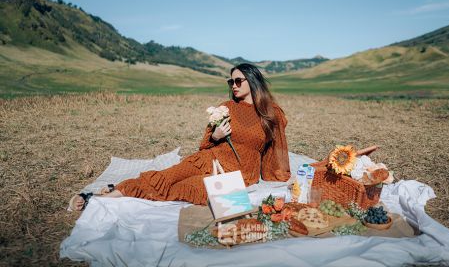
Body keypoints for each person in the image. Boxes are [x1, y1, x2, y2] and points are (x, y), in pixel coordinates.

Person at [69, 63, 290, 210]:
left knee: (181, 189)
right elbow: (205, 143)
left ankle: (107, 198)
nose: (233, 86)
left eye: (238, 81)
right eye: (230, 82)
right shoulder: (226, 107)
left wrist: (277, 176)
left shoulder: (271, 114)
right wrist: (216, 135)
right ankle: (106, 195)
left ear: (252, 81)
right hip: (208, 159)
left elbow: (275, 150)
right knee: (166, 176)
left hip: (236, 173)